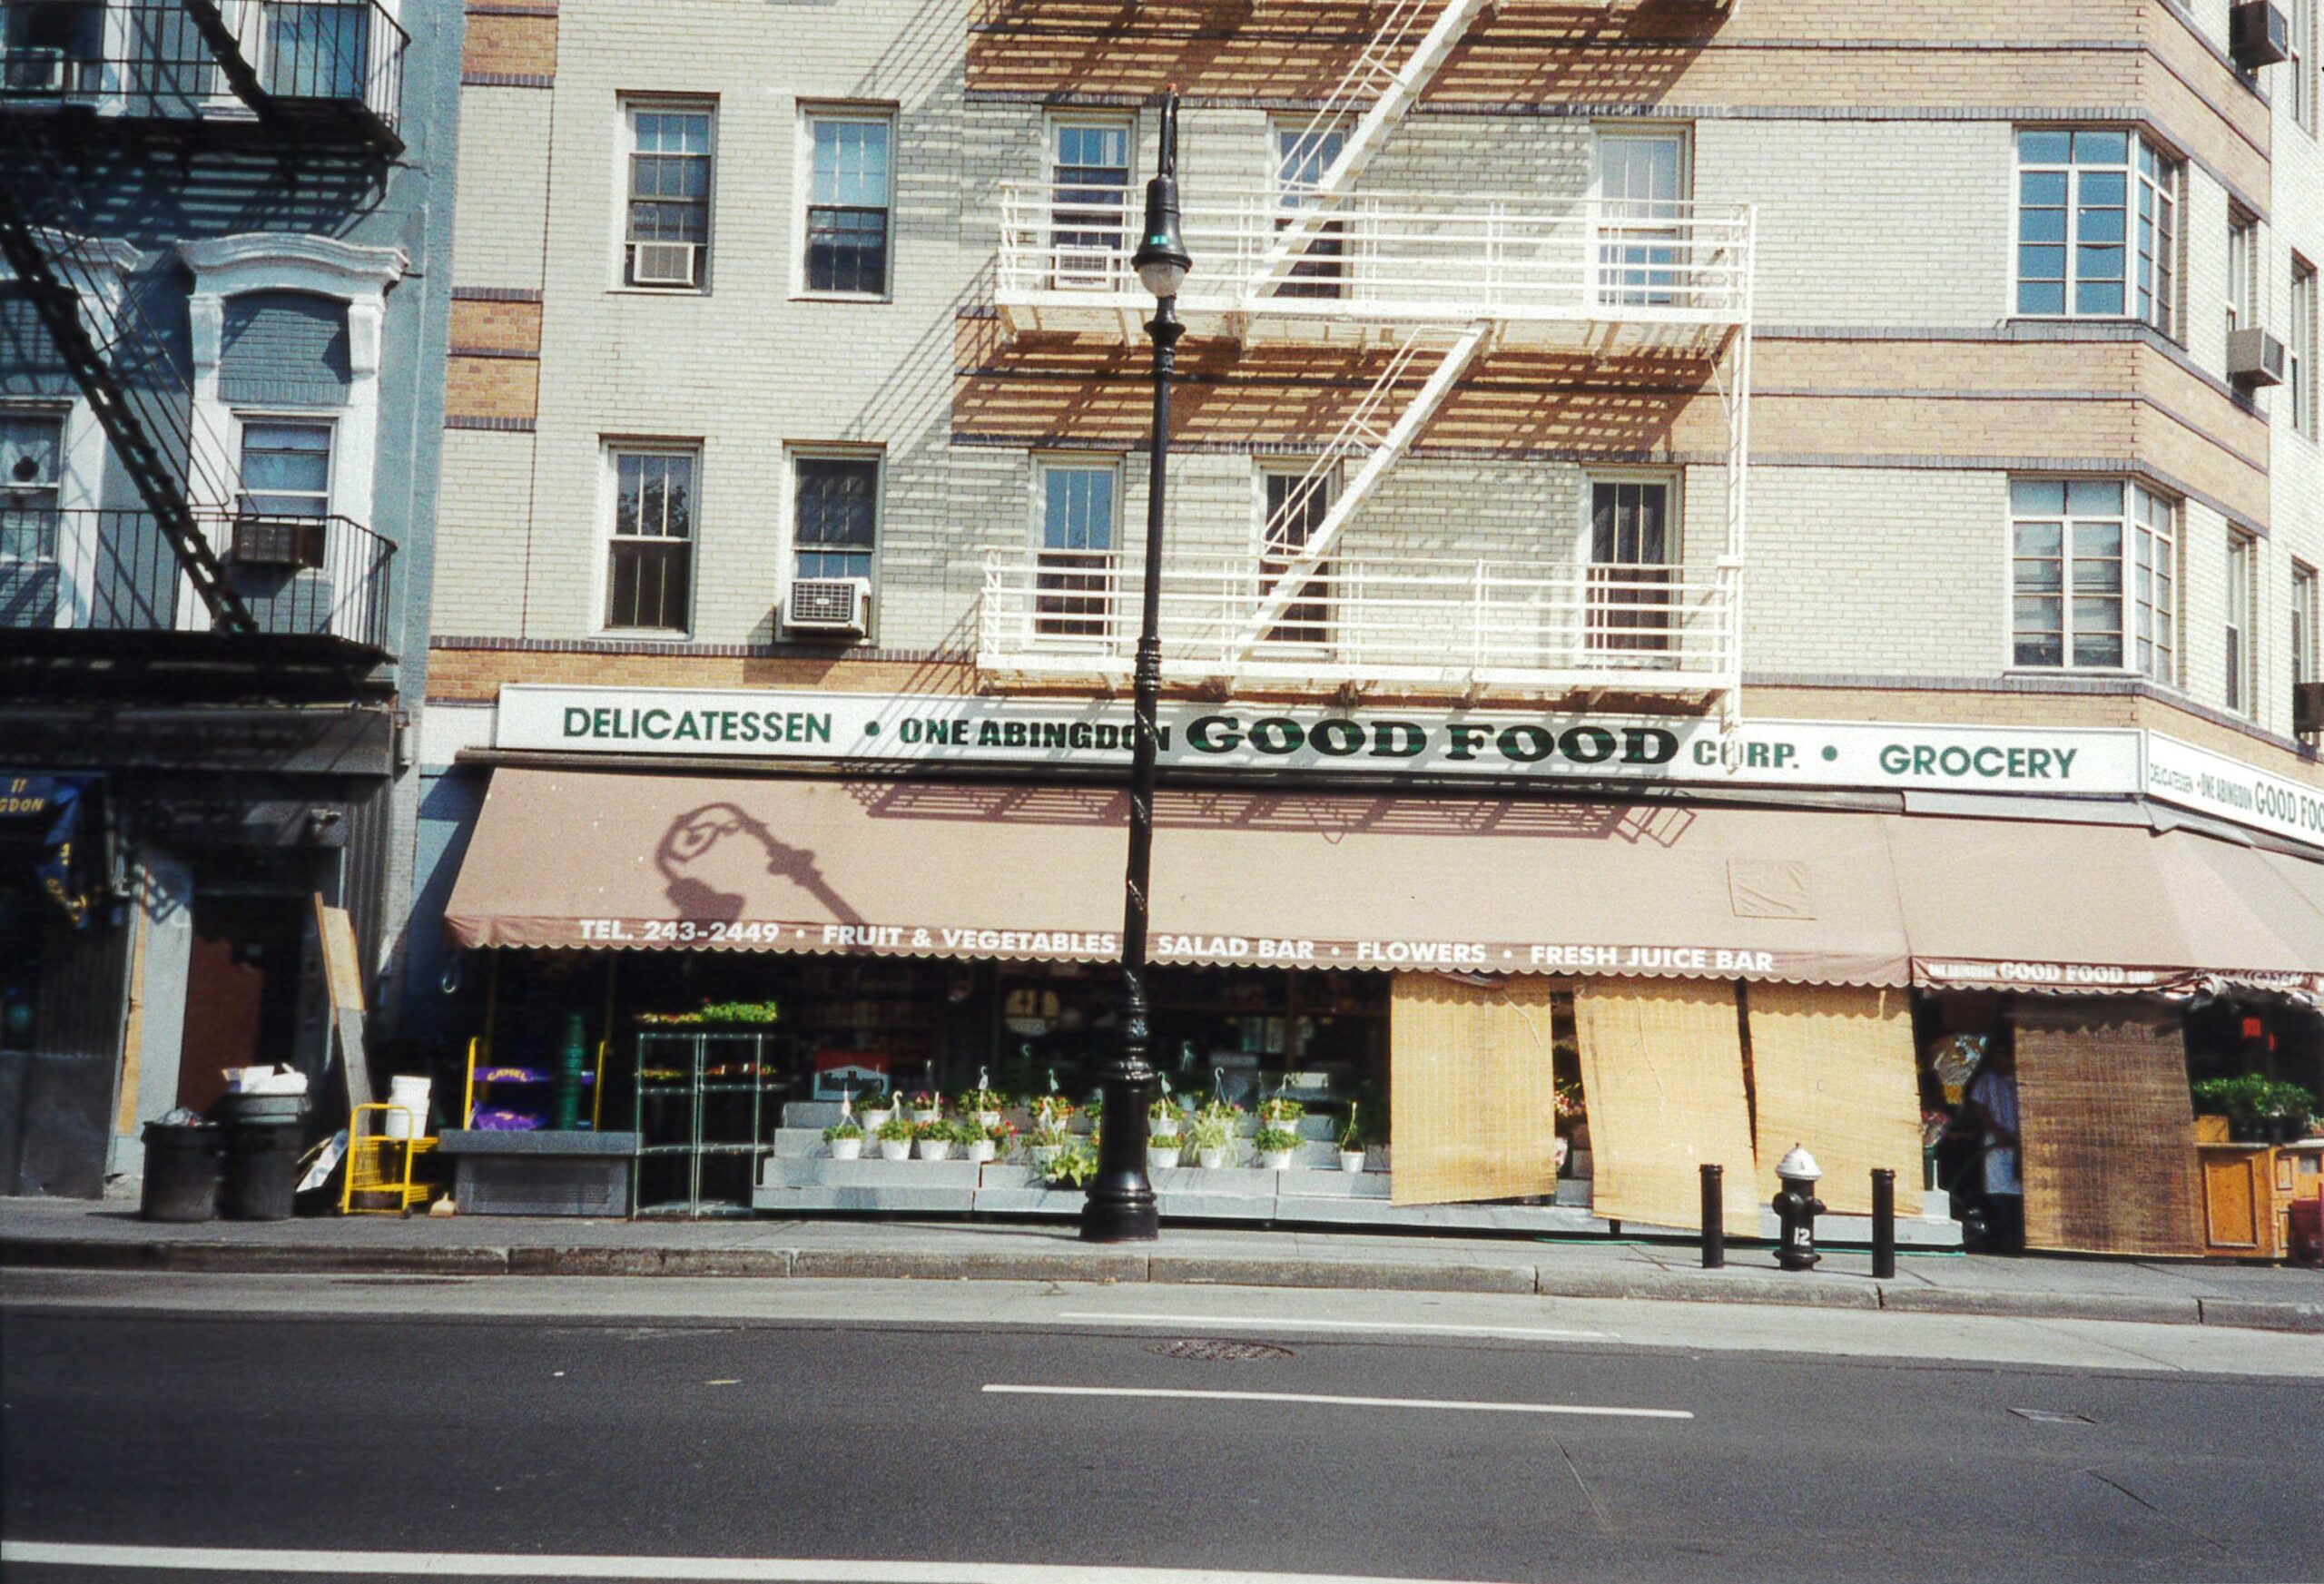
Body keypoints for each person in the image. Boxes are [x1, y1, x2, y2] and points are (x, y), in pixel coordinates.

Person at [1963, 1038, 2024, 1252]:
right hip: (1996, 1145)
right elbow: (1980, 1110)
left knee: (2020, 1193)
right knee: (1997, 1191)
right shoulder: (1986, 1080)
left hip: (2020, 1145)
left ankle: (2016, 1239)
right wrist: (1998, 1133)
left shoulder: (2022, 1080)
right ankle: (2002, 1238)